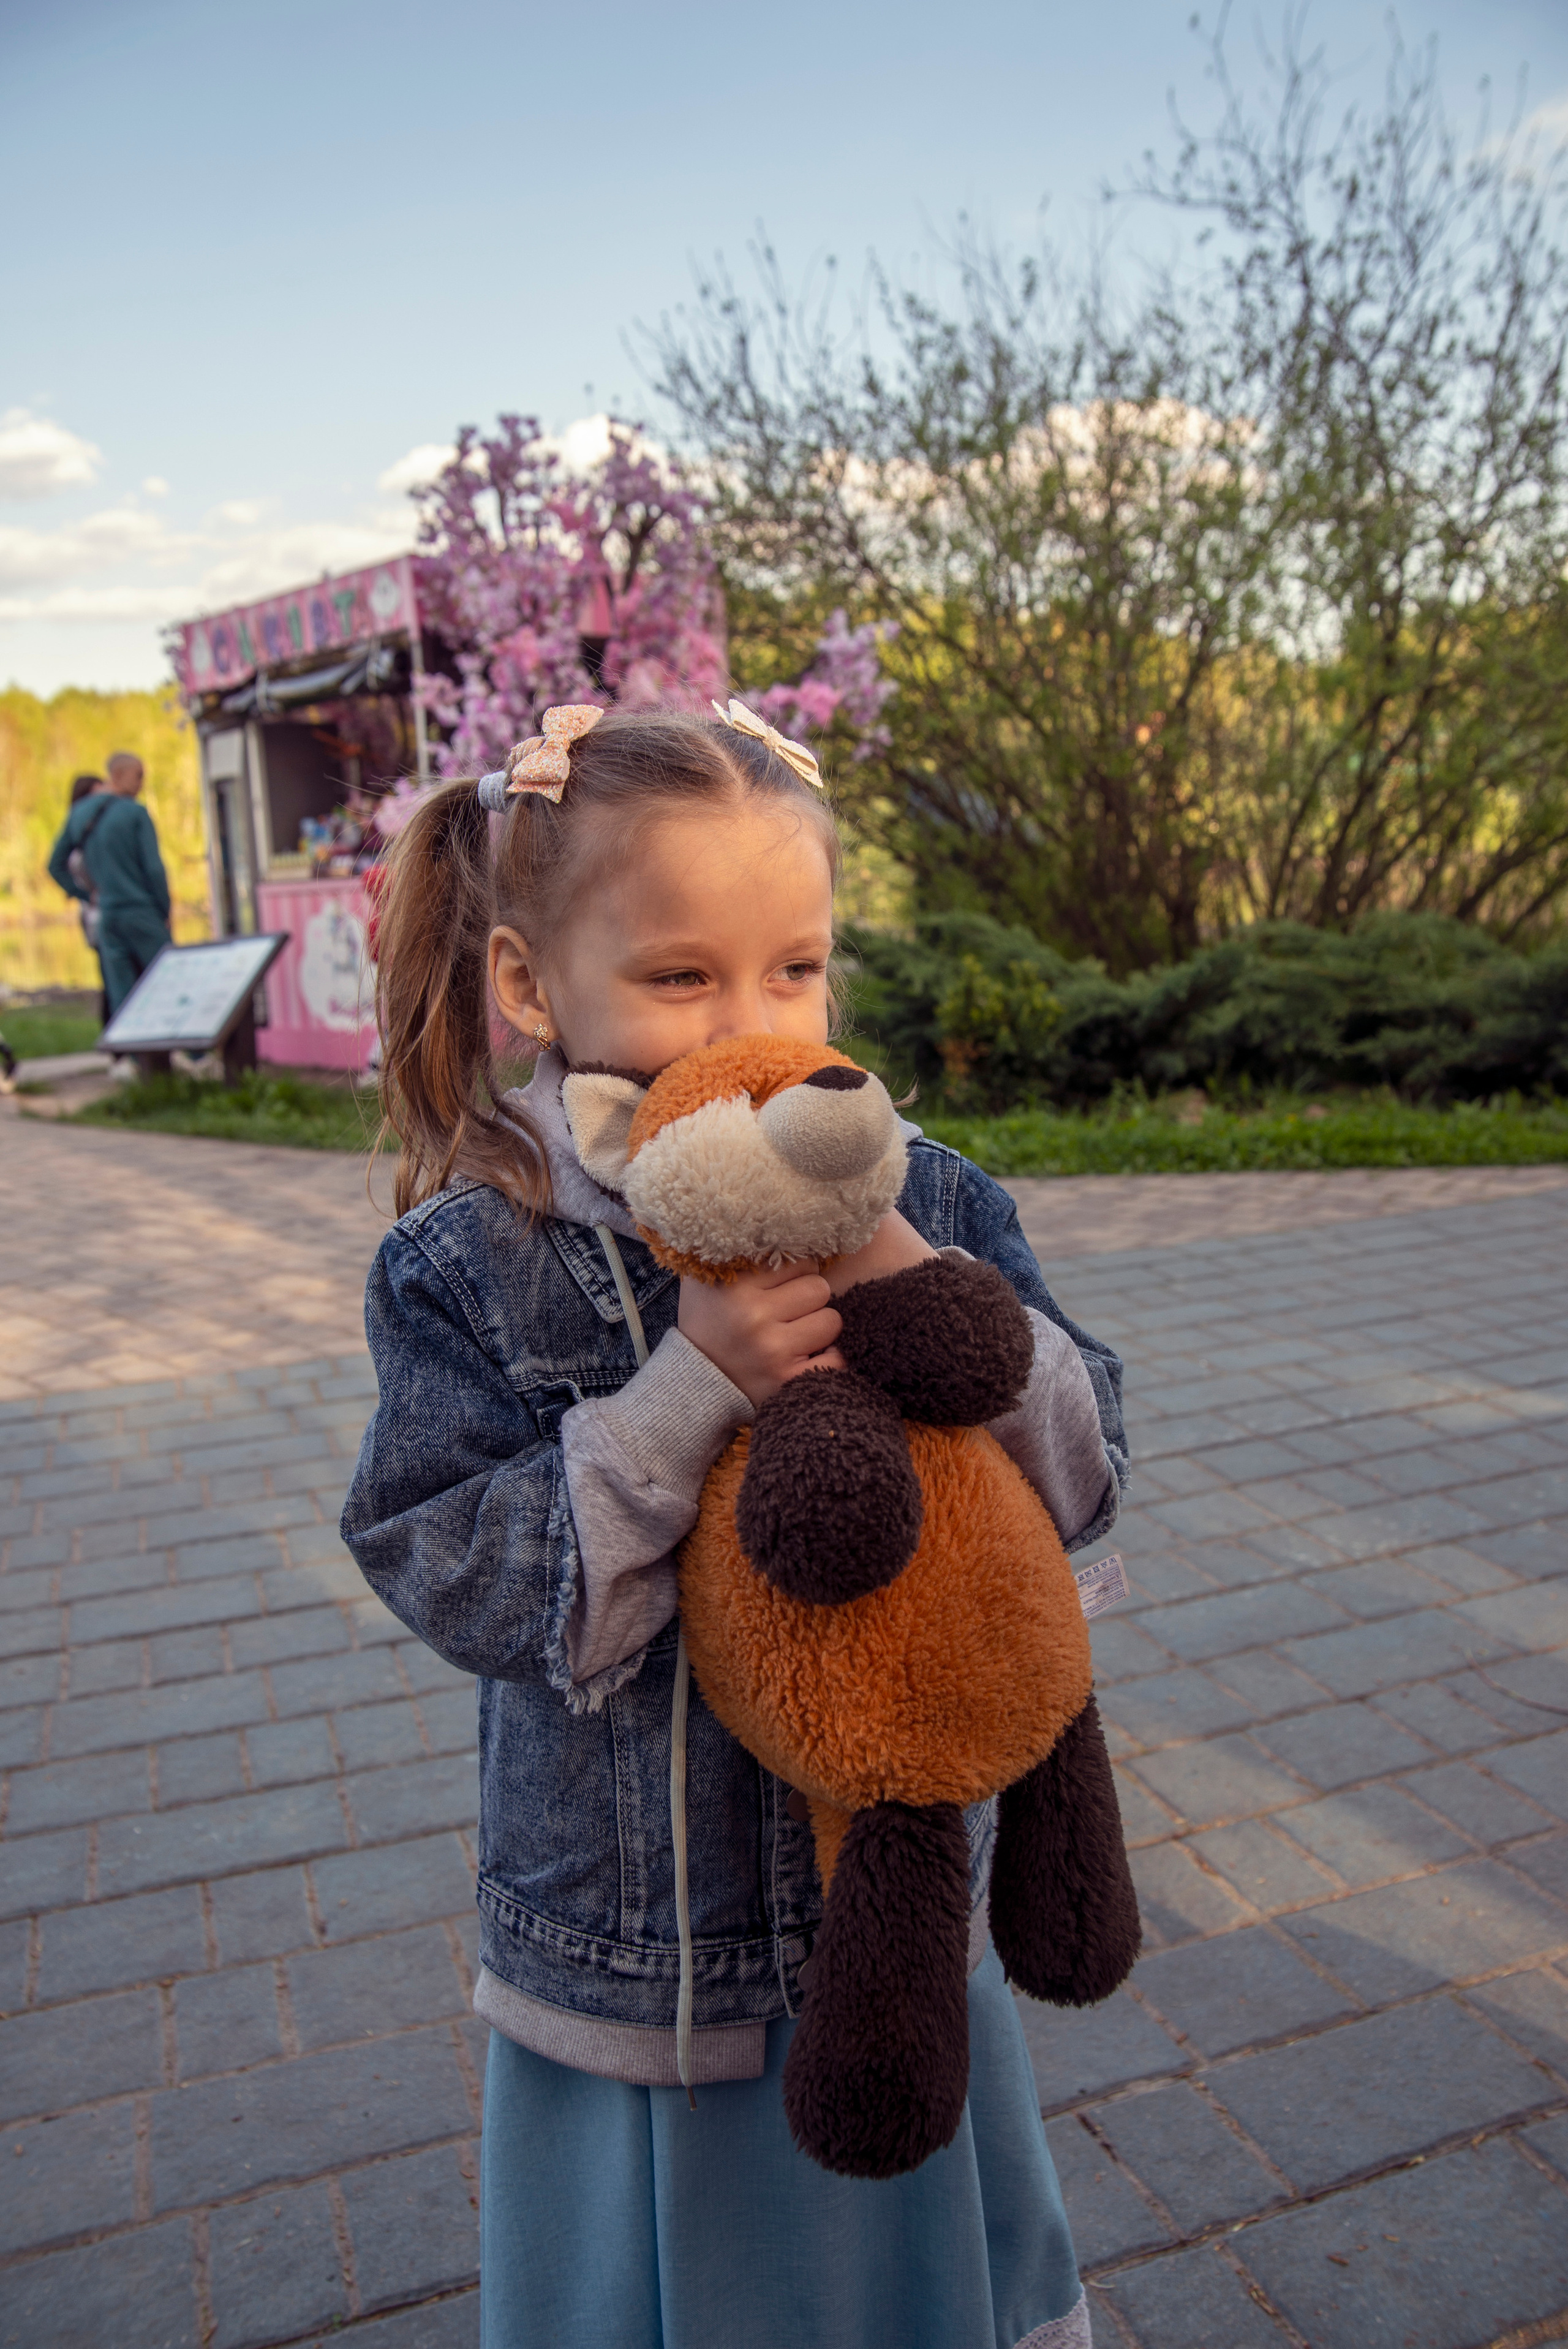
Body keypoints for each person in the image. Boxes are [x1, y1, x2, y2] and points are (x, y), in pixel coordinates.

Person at [341, 705, 1129, 2349]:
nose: (753, 1022)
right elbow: (459, 1568)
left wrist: (918, 1276)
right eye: (682, 975)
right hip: (646, 1964)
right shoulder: (475, 1259)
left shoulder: (937, 1195)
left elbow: (1086, 1469)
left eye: (796, 970)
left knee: (915, 2272)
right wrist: (687, 1388)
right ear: (528, 984)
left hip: (893, 1913)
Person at [48, 751, 171, 1020]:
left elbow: (55, 864)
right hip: (141, 909)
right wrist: (164, 911)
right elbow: (153, 868)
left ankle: (134, 1055)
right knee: (167, 980)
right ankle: (192, 1052)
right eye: (138, 776)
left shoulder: (79, 813)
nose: (141, 783)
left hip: (107, 914)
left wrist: (87, 895)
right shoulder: (135, 813)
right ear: (120, 775)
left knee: (122, 992)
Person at [64, 773, 110, 1024]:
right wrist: (86, 894)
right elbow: (59, 866)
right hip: (97, 915)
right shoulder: (77, 830)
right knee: (112, 977)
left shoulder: (98, 828)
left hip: (103, 911)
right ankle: (120, 1048)